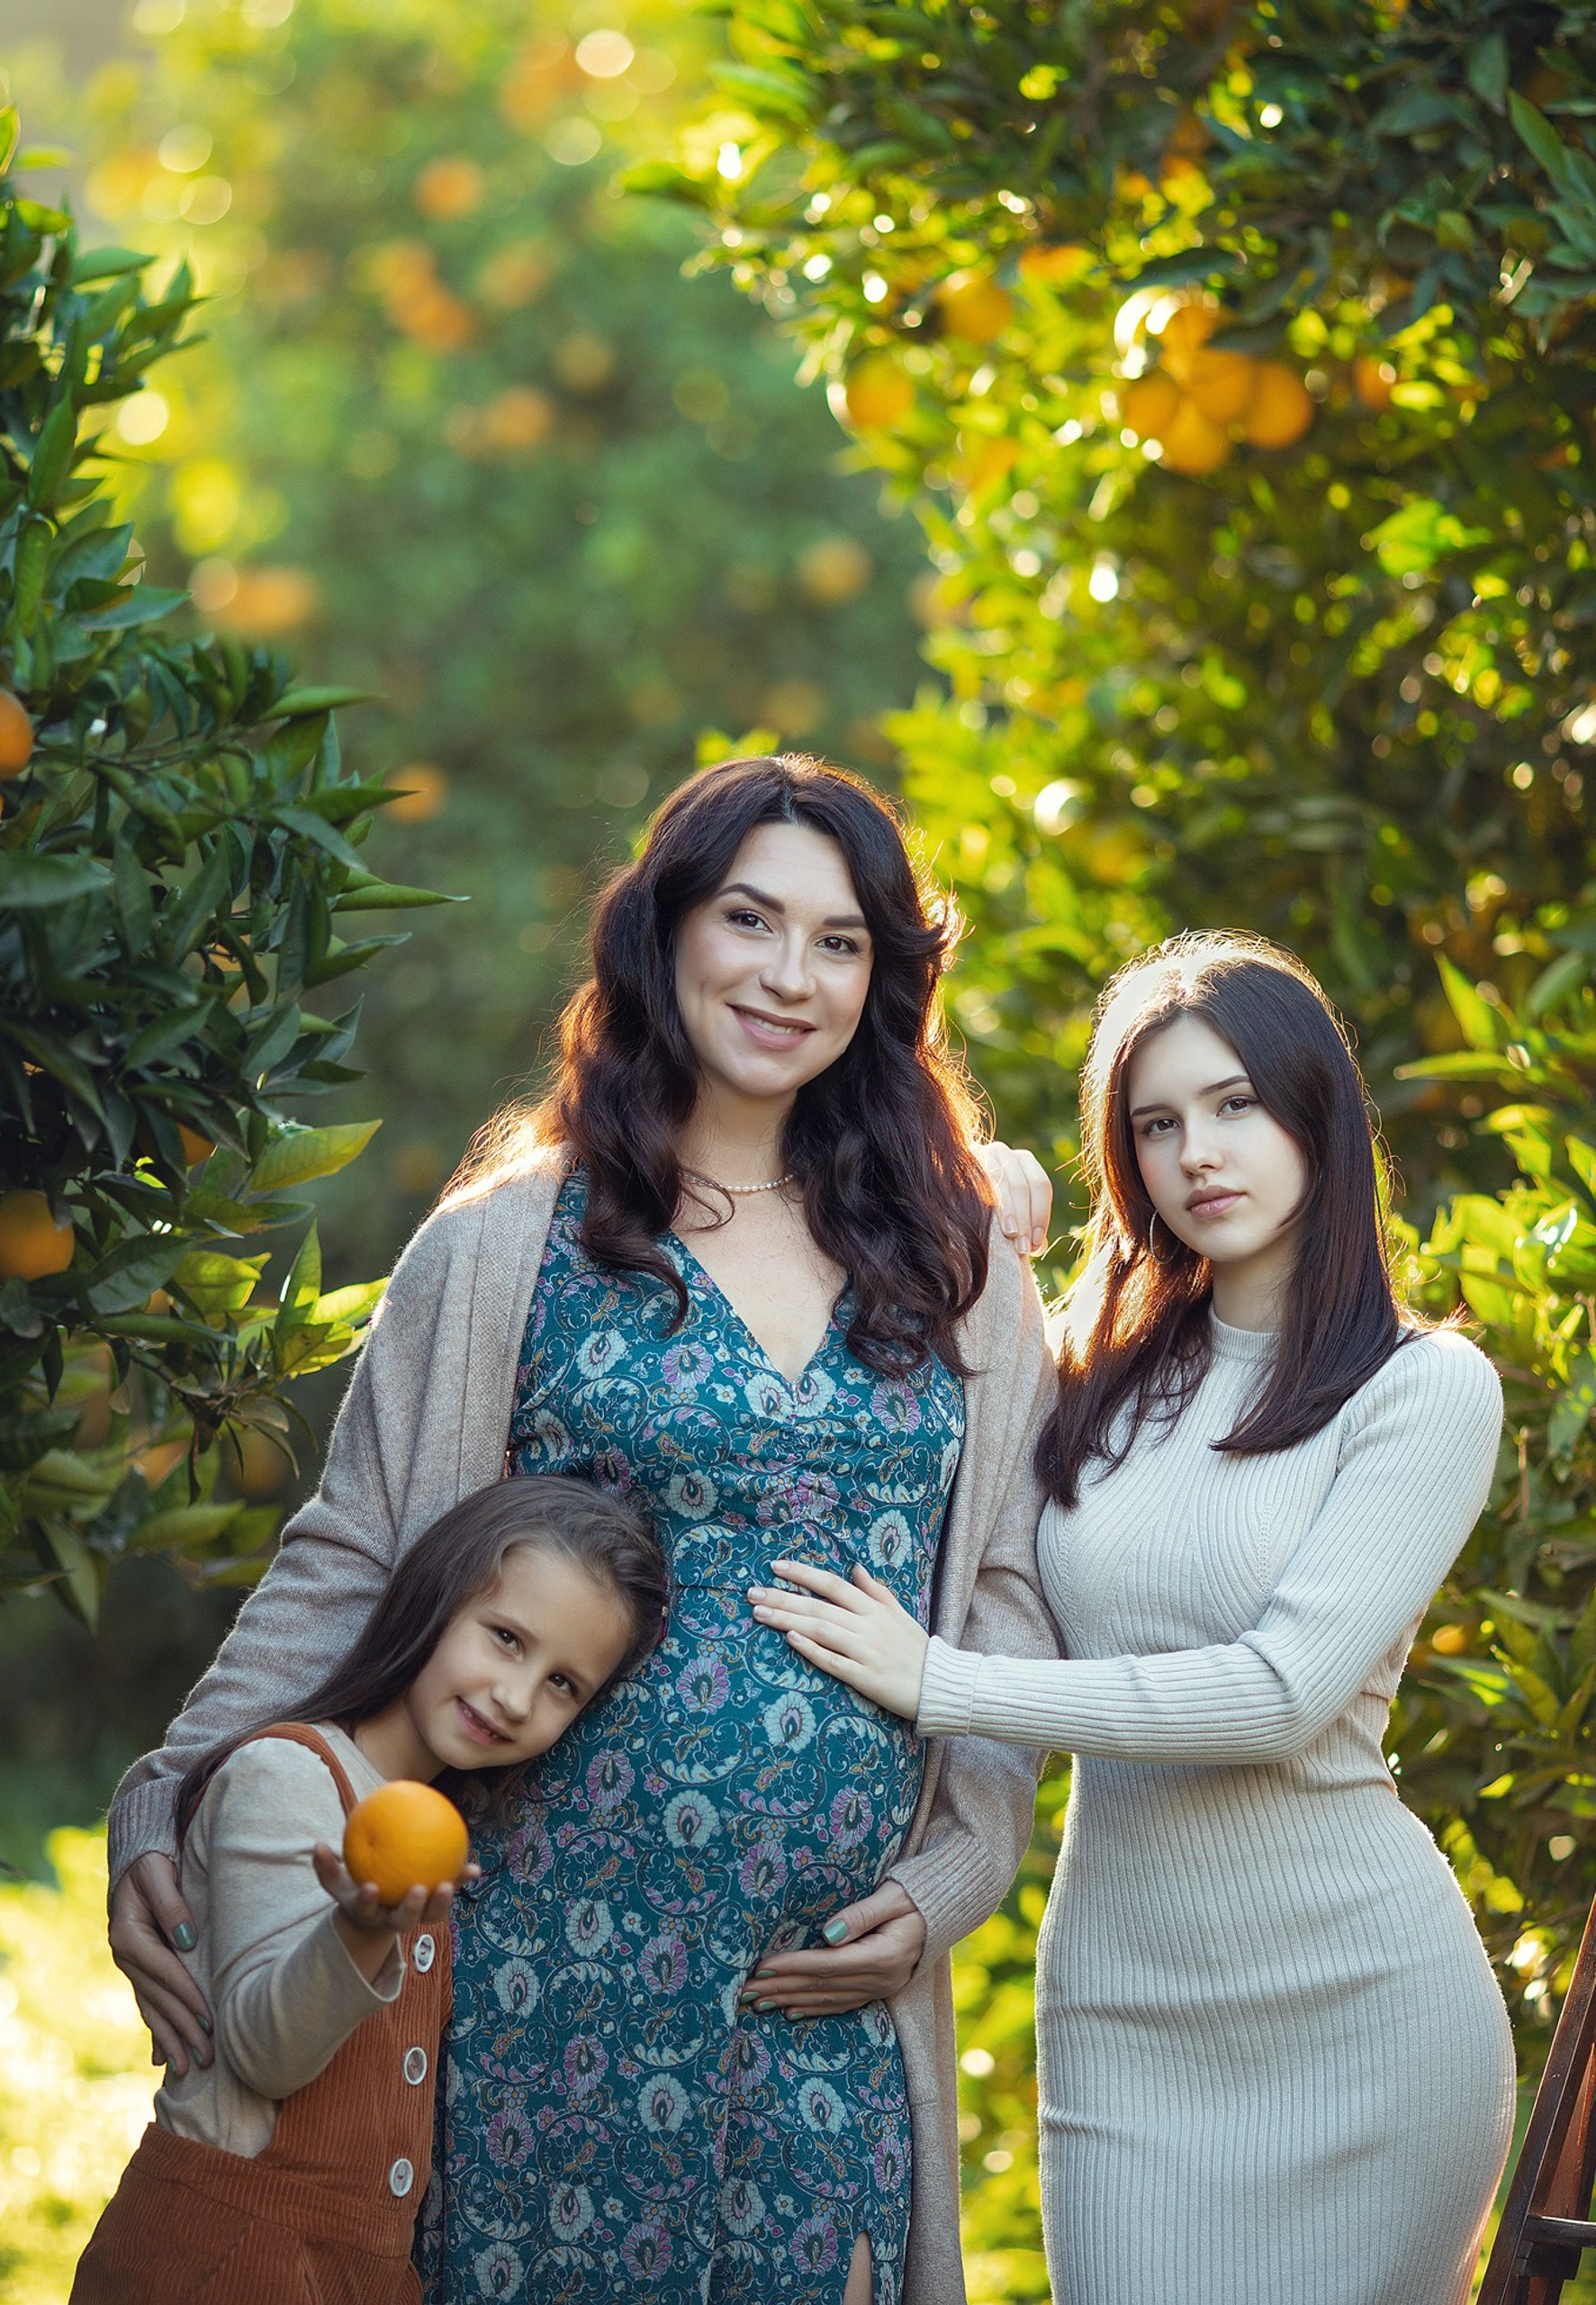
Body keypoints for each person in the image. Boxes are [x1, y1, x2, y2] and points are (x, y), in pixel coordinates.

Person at [104, 755, 1060, 2305]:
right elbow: (357, 1549)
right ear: (664, 931)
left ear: (884, 984)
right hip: (535, 1978)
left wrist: (963, 1866)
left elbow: (1013, 1580)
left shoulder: (957, 1264)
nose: (787, 975)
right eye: (749, 918)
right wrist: (170, 1788)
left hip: (820, 1992)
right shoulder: (513, 1240)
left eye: (839, 942)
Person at [748, 931, 1518, 2305]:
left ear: (1318, 1116)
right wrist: (968, 1185)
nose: (1198, 1154)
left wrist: (944, 1683)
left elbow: (1281, 1693)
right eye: (1157, 1125)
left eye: (1236, 1105)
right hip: (1123, 2008)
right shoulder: (1094, 1372)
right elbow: (948, 1356)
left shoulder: (1425, 1390)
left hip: (1367, 2019)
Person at [73, 1475, 668, 2304]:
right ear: (436, 1599)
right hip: (223, 2255)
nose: (517, 1696)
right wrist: (358, 1928)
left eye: (564, 1684)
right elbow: (263, 2050)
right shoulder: (288, 1775)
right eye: (505, 1637)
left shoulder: (434, 1834)